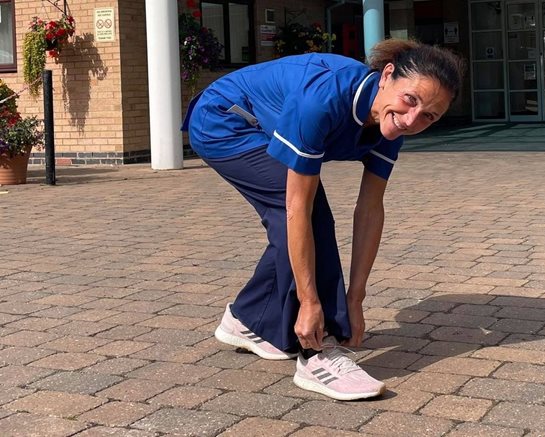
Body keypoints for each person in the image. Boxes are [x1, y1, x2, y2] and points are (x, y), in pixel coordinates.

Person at [182, 39, 465, 401]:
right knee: (310, 214)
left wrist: (356, 298)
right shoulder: (323, 98)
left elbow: (370, 209)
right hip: (224, 119)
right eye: (411, 100)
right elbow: (296, 207)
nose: (412, 119)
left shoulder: (391, 123)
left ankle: (247, 318)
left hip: (257, 125)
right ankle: (319, 352)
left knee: (305, 221)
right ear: (388, 75)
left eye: (430, 116)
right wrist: (313, 304)